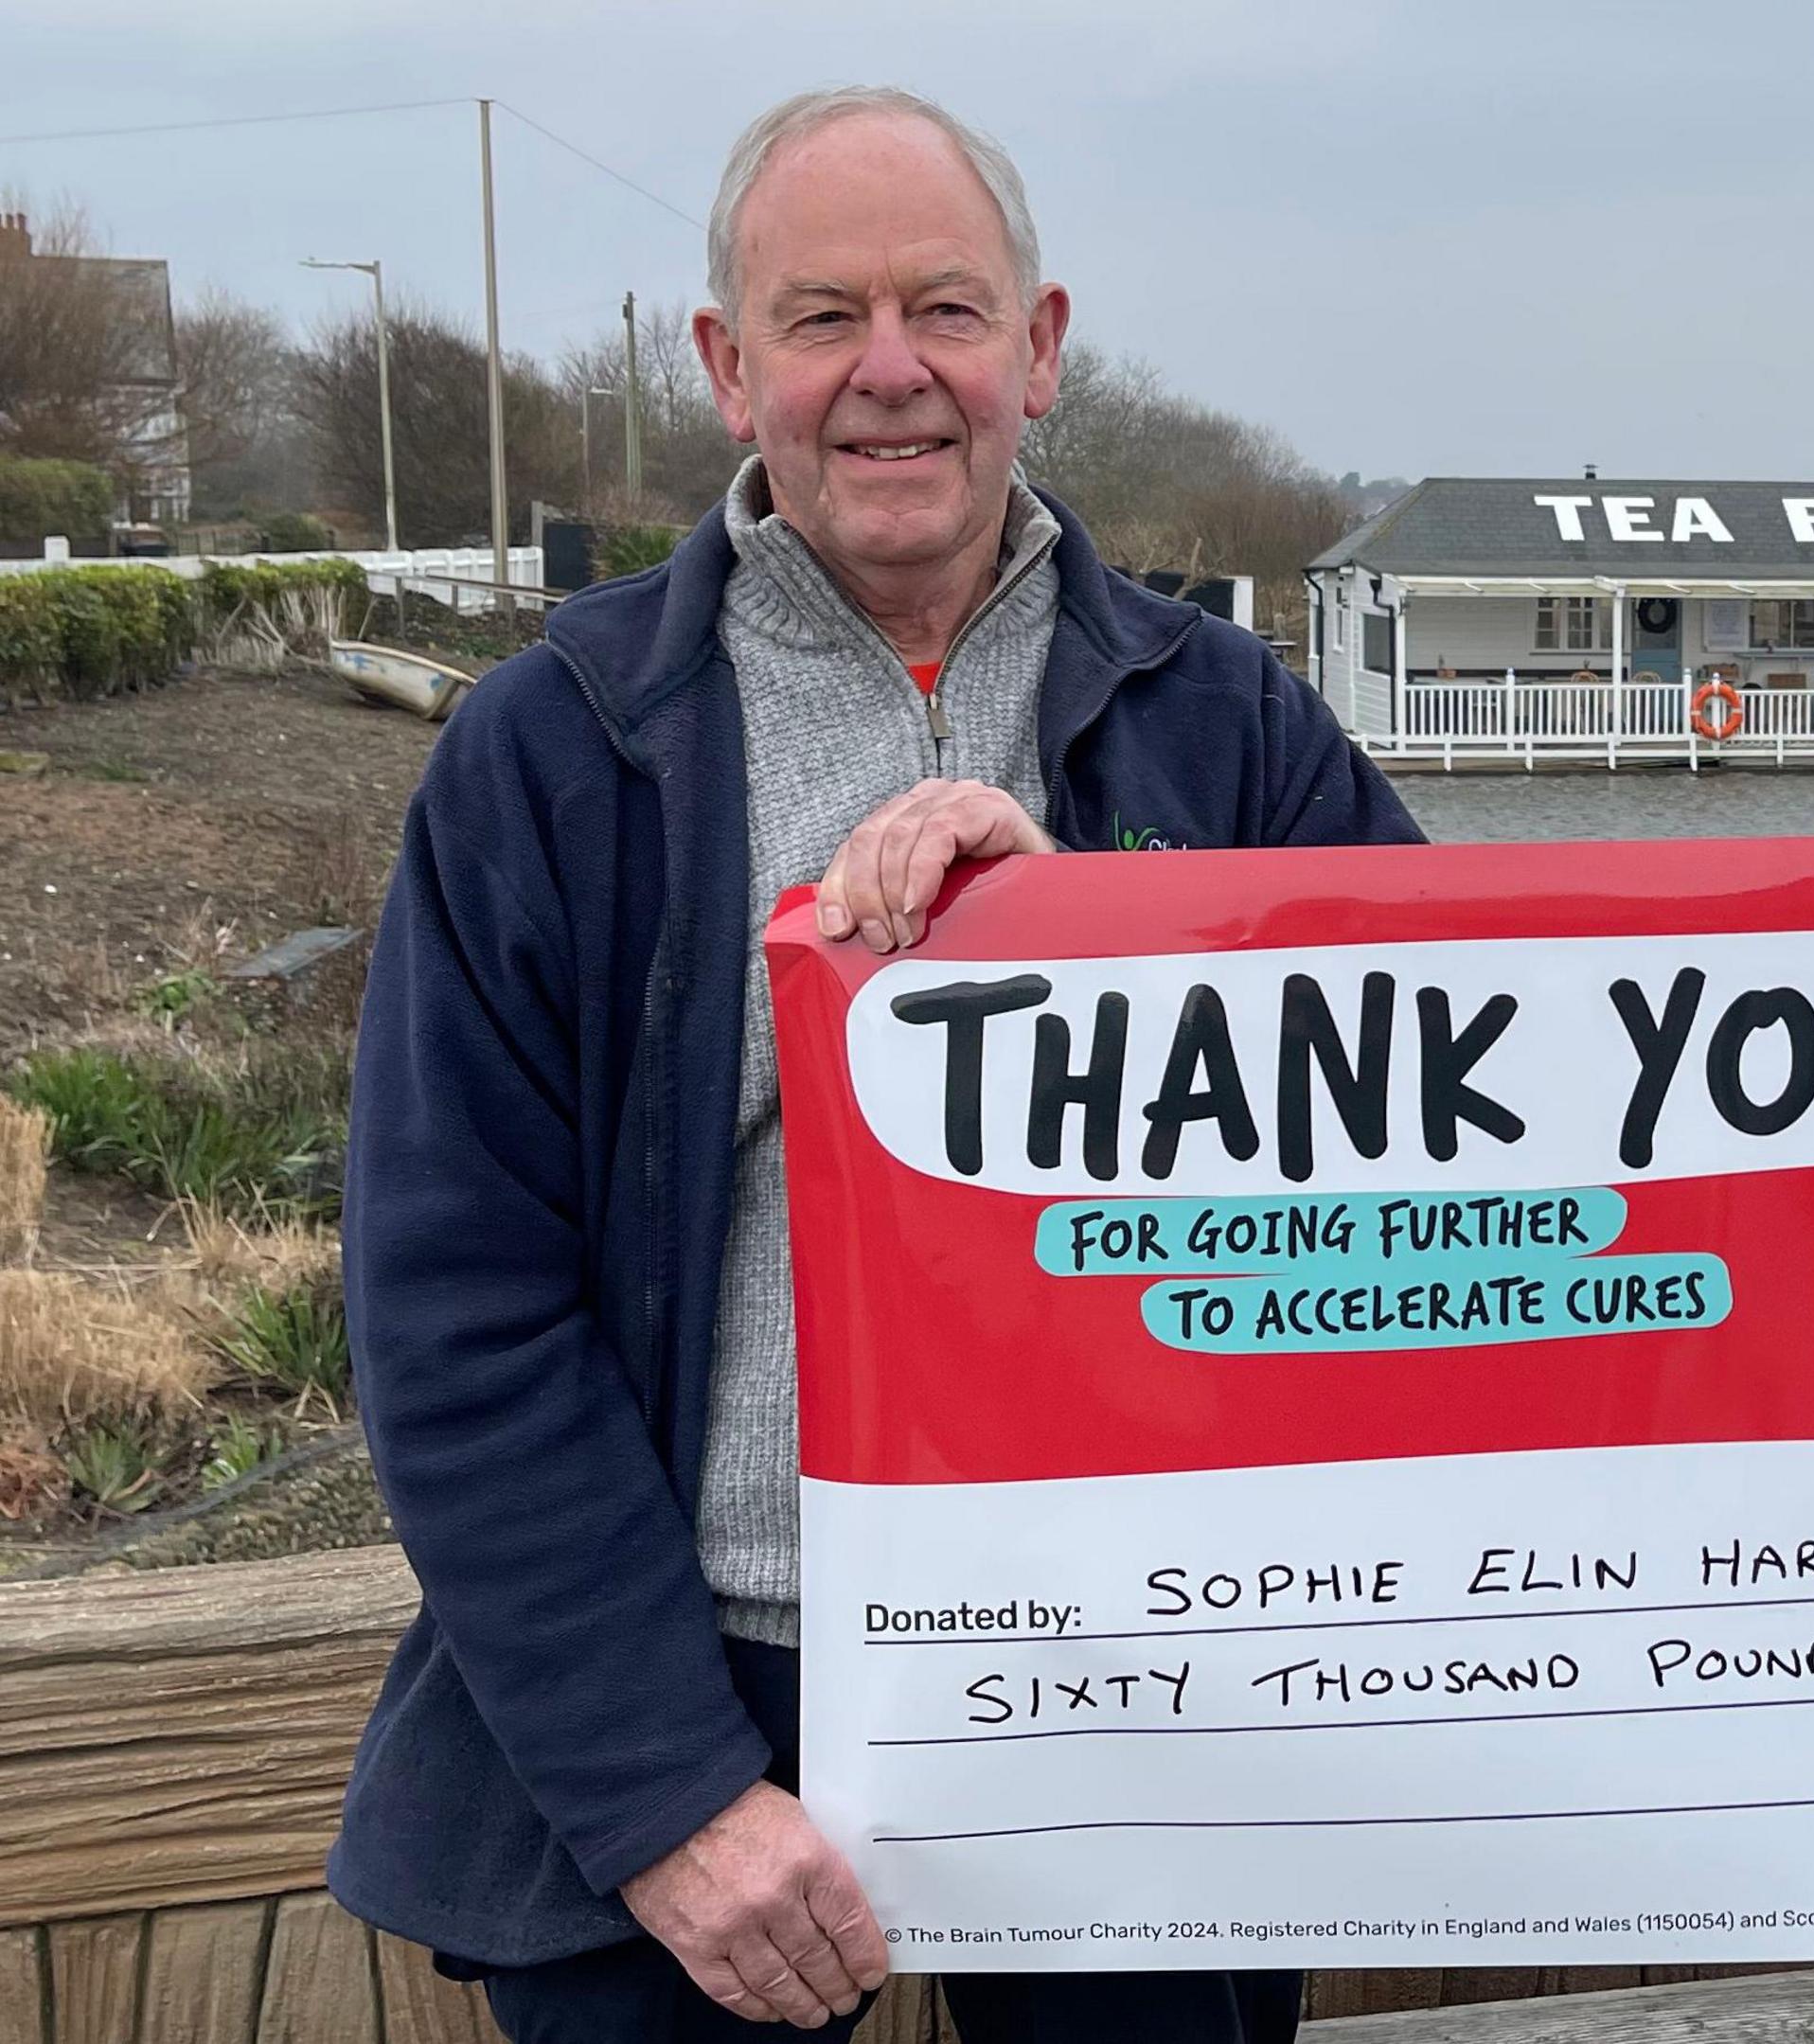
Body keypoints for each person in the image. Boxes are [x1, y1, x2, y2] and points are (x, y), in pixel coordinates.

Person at [330, 85, 1417, 2041]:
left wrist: (1095, 935)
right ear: (728, 369)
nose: (892, 373)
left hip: (1145, 1690)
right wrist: (662, 1798)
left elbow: (1442, 1138)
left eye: (948, 309)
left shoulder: (1234, 725)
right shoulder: (551, 749)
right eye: (823, 318)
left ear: (1045, 348)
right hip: (702, 1682)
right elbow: (454, 1310)